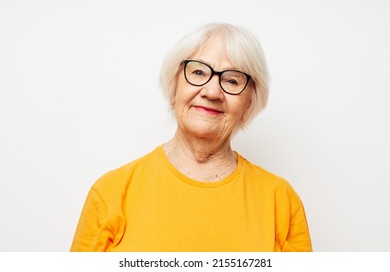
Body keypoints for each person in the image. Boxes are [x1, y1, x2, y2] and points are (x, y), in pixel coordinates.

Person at [70, 23, 312, 252]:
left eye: (231, 80)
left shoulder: (280, 201)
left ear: (249, 103)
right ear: (174, 85)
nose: (212, 92)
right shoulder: (111, 193)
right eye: (198, 72)